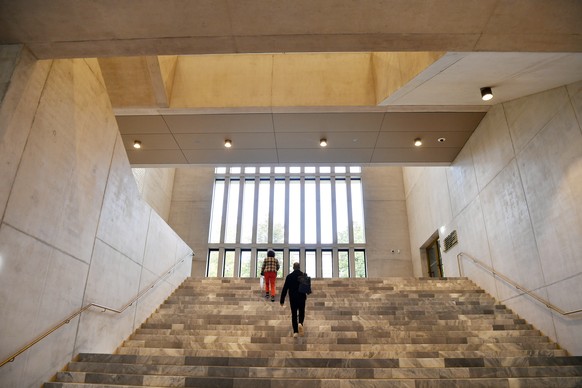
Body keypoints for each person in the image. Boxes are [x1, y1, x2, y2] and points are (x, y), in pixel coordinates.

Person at [280, 262, 307, 338]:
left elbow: (285, 288)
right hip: (301, 297)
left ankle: (295, 331)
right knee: (301, 311)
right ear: (299, 267)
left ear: (293, 268)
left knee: (294, 314)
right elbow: (307, 288)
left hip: (293, 298)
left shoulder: (289, 276)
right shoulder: (303, 276)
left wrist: (282, 300)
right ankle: (300, 323)